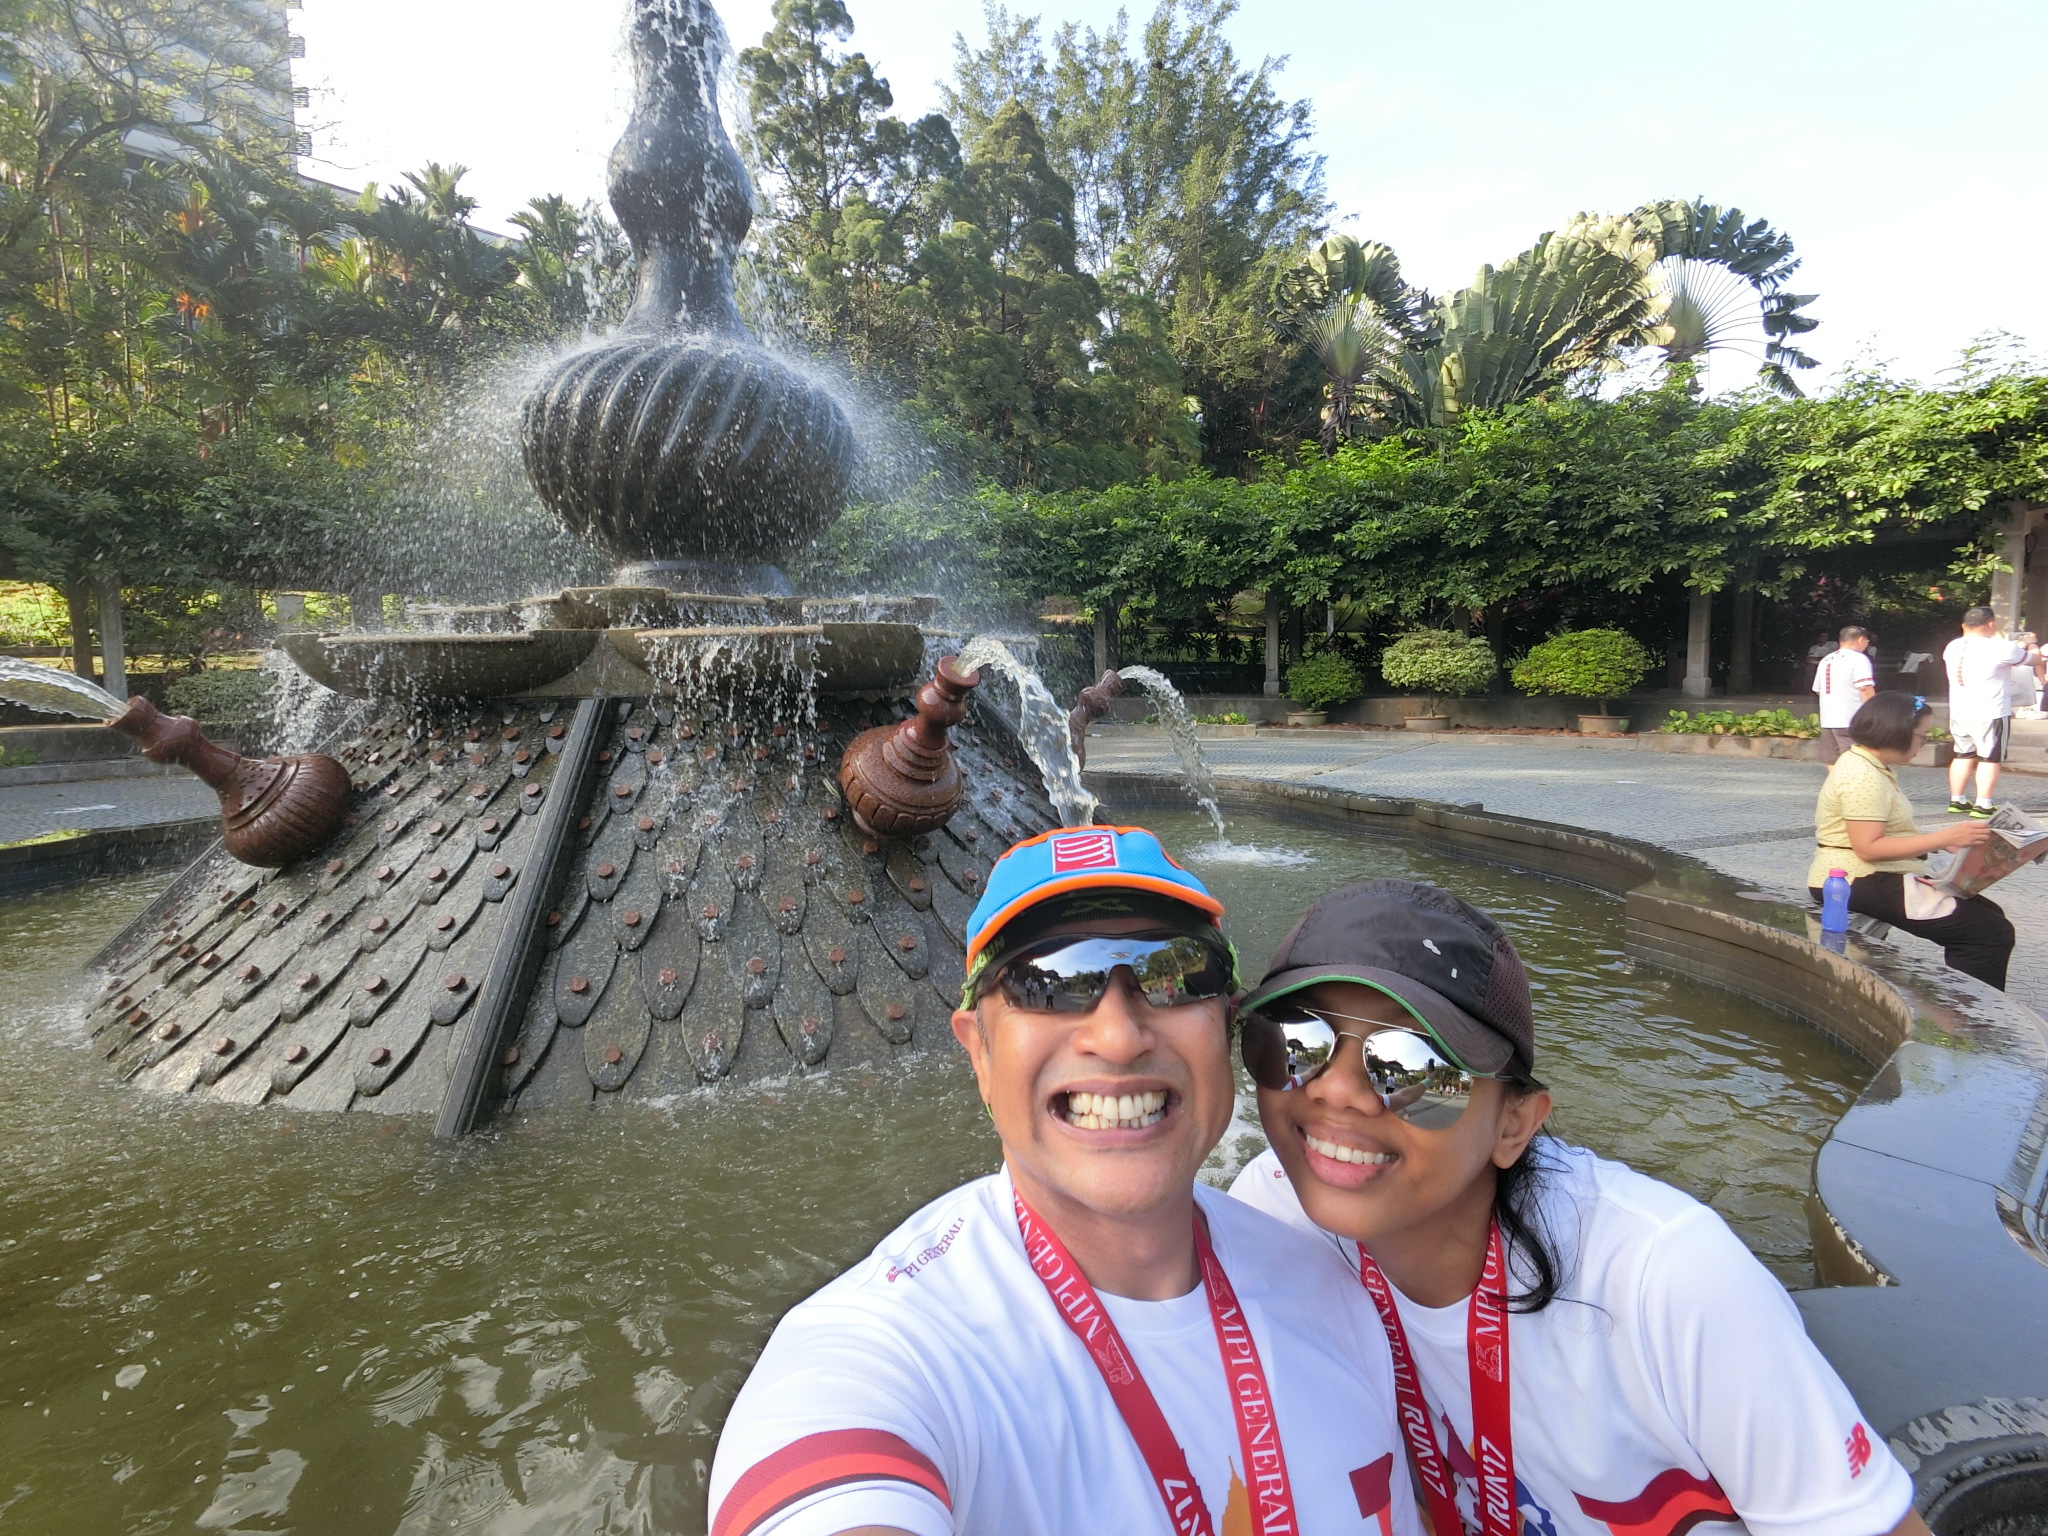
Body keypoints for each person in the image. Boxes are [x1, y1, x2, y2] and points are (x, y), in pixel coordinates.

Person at [708, 825, 1423, 1536]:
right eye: (1048, 982)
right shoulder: (886, 1351)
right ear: (980, 1052)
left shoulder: (1332, 1286)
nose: (1118, 1036)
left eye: (1173, 973)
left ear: (1228, 1022)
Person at [1227, 877, 1932, 1536]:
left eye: (1411, 1066)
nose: (1336, 1091)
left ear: (1515, 1124)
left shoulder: (1663, 1277)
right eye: (1295, 1042)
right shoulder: (1273, 1213)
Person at [1811, 690, 2012, 989]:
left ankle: (1968, 1007)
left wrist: (1946, 841)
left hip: (1868, 875)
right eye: (1921, 736)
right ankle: (1970, 1013)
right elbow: (1868, 848)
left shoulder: (1867, 765)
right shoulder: (1862, 775)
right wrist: (1942, 837)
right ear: (1897, 733)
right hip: (1855, 878)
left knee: (1988, 916)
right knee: (1986, 932)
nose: (1923, 743)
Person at [1942, 606, 2039, 815]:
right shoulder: (2000, 647)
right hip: (1991, 711)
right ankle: (1983, 803)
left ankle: (1957, 800)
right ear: (1991, 624)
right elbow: (2036, 659)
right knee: (1990, 757)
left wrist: (2017, 647)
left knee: (1962, 754)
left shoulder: (1952, 647)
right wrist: (2031, 643)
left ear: (1963, 625)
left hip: (1959, 710)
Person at [1812, 626, 1876, 767]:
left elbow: (1818, 689)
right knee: (1855, 759)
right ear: (1860, 639)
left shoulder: (1826, 659)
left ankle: (1836, 781)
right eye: (1867, 641)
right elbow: (1865, 688)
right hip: (1851, 719)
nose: (1867, 644)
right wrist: (1873, 712)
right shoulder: (1858, 659)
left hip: (1828, 719)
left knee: (1832, 759)